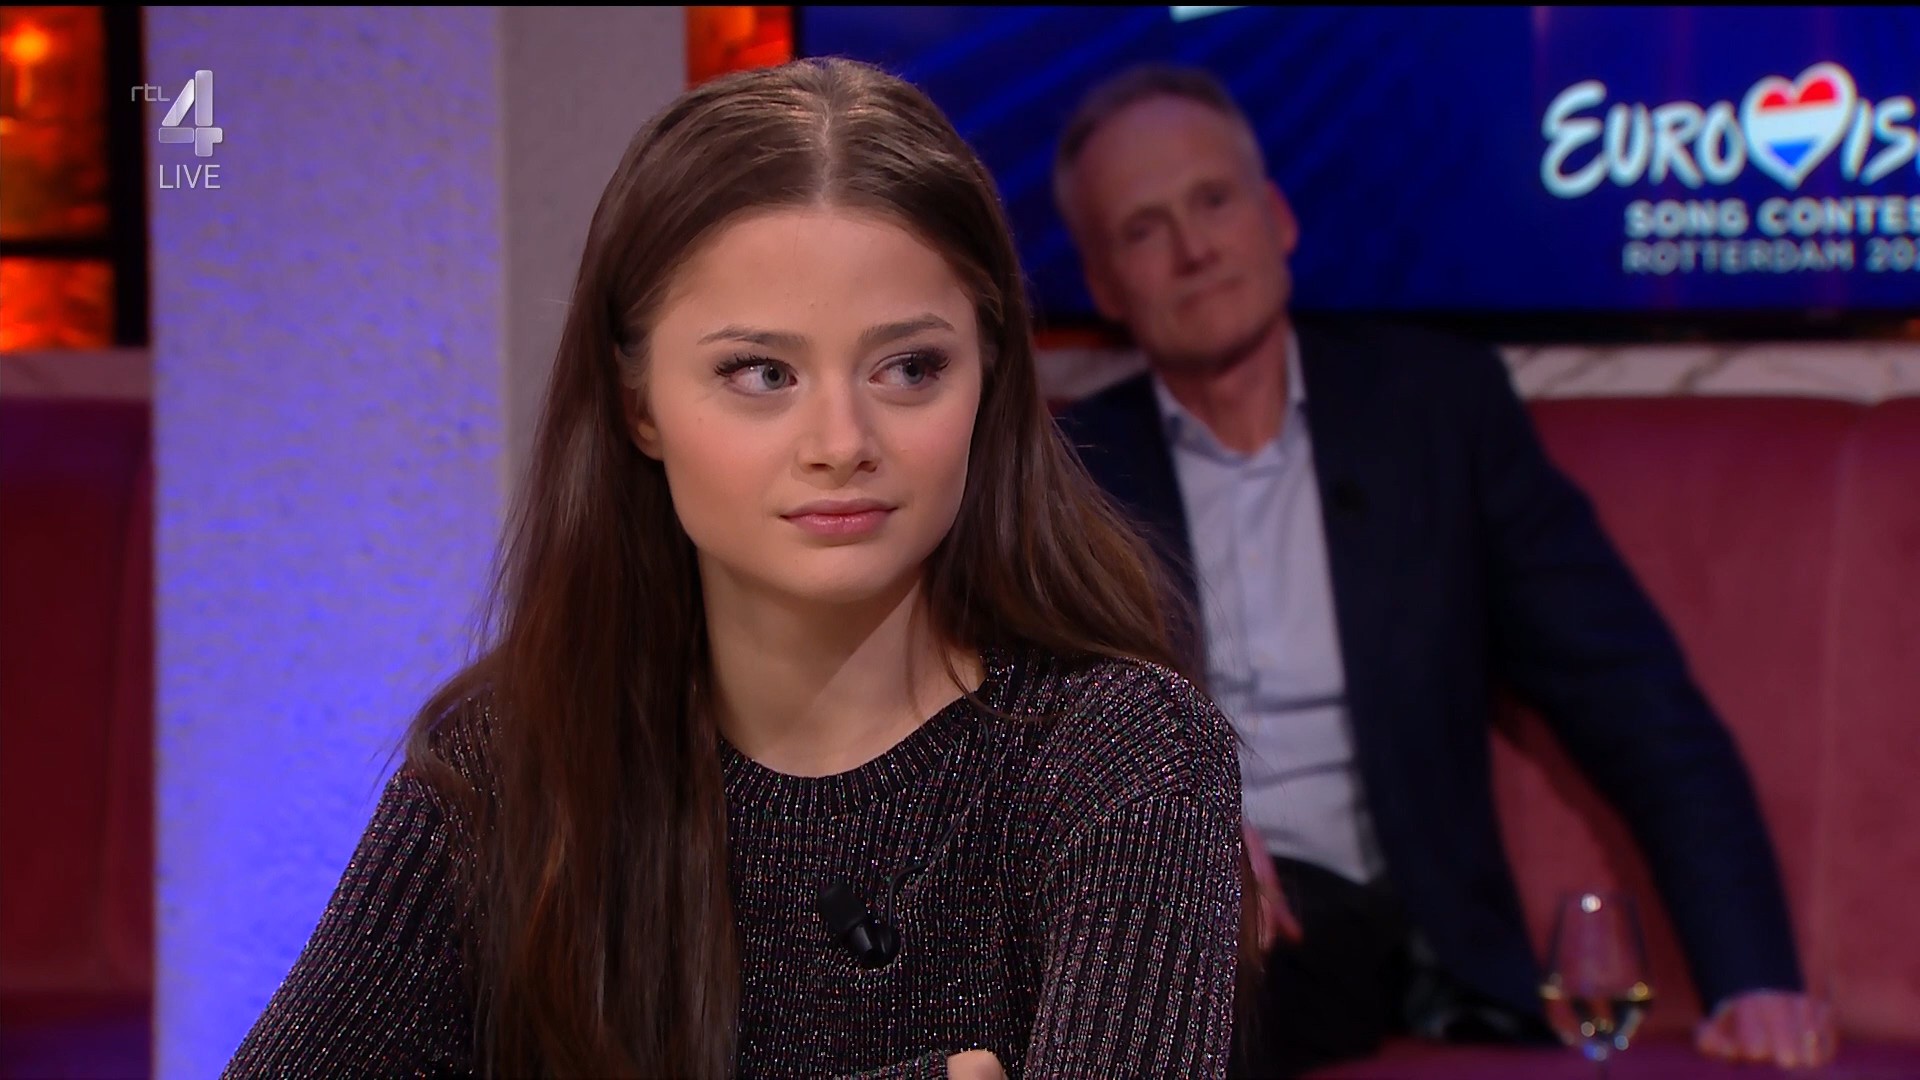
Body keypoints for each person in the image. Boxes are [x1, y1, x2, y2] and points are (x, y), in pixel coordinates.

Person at [221, 57, 1258, 1080]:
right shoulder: (512, 767)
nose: (842, 441)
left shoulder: (1126, 759)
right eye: (762, 373)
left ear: (988, 376)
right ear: (638, 406)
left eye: (909, 368)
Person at [1047, 64, 1838, 1078]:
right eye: (1144, 230)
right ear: (1104, 285)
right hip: (1150, 907)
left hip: (1352, 930)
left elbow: (1634, 701)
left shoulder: (1438, 415)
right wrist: (1176, 819)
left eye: (1213, 201)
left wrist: (1752, 978)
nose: (1195, 249)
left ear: (1276, 217)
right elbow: (1018, 720)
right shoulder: (1073, 478)